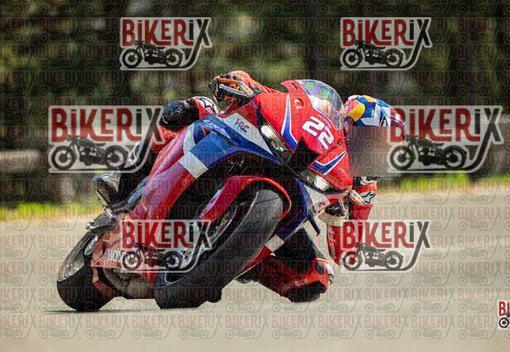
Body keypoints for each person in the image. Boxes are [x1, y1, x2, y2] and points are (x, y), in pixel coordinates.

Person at [92, 70, 402, 302]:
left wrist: (338, 220)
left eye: (381, 148)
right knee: (192, 108)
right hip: (256, 145)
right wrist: (243, 82)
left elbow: (345, 252)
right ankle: (124, 180)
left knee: (315, 279)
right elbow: (277, 99)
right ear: (347, 123)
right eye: (370, 139)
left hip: (287, 209)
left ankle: (235, 259)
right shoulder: (319, 112)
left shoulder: (361, 188)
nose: (372, 151)